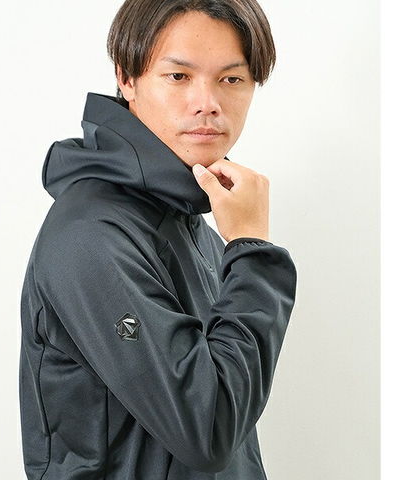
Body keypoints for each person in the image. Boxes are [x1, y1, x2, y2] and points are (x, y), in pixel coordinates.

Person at [18, 1, 297, 479]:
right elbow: (207, 431)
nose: (207, 103)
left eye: (231, 79)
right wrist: (253, 250)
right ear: (126, 78)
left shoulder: (192, 221)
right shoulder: (93, 235)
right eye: (178, 76)